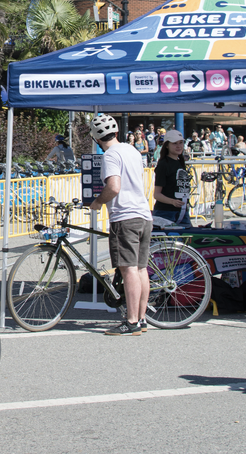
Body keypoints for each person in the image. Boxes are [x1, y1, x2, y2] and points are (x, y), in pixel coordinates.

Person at [87, 114, 152, 336]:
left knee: (128, 269)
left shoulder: (110, 155)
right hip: (144, 214)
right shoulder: (132, 150)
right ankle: (141, 319)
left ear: (96, 138)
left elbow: (114, 187)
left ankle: (131, 321)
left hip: (125, 216)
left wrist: (97, 202)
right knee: (141, 268)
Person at [151, 130, 192, 227]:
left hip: (182, 212)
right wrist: (172, 201)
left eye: (181, 142)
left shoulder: (180, 163)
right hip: (165, 212)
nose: (179, 146)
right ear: (167, 145)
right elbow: (157, 194)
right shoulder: (163, 164)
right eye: (174, 143)